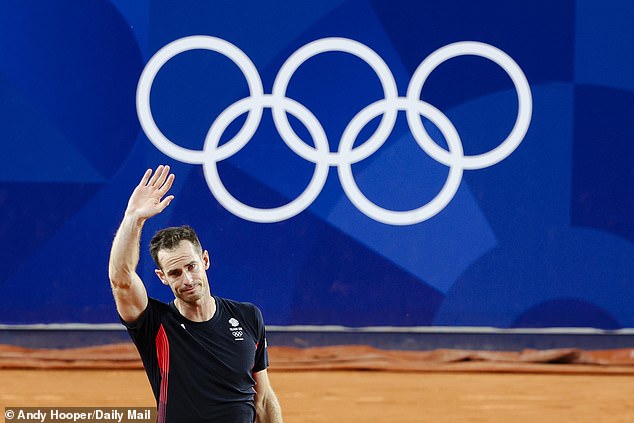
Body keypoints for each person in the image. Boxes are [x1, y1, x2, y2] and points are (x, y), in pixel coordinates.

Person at [108, 165, 283, 423]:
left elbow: (264, 398)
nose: (188, 279)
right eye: (175, 273)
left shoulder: (248, 317)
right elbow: (121, 279)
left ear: (205, 260)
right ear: (162, 277)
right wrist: (133, 218)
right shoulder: (154, 323)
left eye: (191, 266)